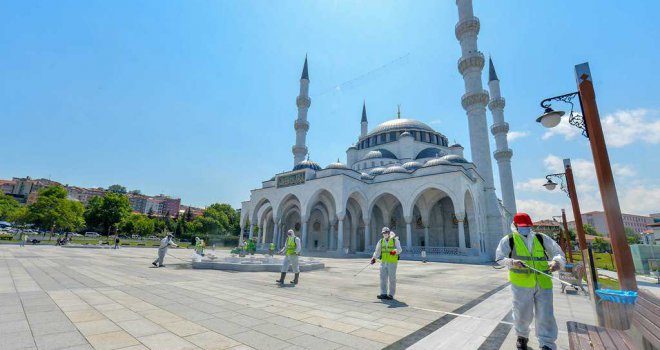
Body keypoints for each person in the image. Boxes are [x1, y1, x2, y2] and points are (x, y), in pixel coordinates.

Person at [495, 212, 566, 350]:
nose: (525, 228)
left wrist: (557, 262)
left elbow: (558, 253)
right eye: (522, 226)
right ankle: (522, 337)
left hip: (543, 282)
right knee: (522, 313)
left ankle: (547, 344)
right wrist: (512, 262)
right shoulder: (509, 239)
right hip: (521, 284)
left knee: (545, 314)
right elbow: (499, 258)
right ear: (515, 226)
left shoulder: (540, 238)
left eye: (527, 226)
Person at [370, 227, 402, 300]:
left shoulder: (395, 240)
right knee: (383, 278)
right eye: (383, 233)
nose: (385, 234)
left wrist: (395, 251)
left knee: (392, 278)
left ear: (389, 232)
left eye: (386, 232)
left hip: (392, 262)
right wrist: (374, 258)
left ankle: (391, 294)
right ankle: (383, 293)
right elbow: (377, 251)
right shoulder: (381, 241)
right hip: (383, 262)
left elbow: (399, 249)